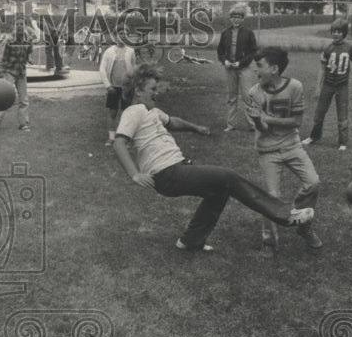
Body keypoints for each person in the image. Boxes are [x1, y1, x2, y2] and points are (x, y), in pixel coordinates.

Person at [112, 64, 315, 252]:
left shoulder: (152, 111)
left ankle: (191, 240)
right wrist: (135, 174)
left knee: (219, 191)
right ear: (138, 91)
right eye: (152, 89)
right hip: (167, 173)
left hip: (176, 169)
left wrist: (195, 128)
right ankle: (286, 215)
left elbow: (172, 122)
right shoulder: (133, 111)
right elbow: (119, 142)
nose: (156, 93)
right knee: (227, 177)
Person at [246, 48, 323, 255]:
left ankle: (302, 223)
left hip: (292, 145)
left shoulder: (295, 87)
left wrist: (266, 118)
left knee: (313, 183)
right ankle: (269, 242)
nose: (255, 70)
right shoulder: (254, 93)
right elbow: (261, 129)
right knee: (272, 196)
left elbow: (296, 122)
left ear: (274, 68)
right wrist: (256, 120)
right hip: (268, 151)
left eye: (259, 66)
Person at [302, 18, 352, 151]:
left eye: (339, 32)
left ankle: (343, 142)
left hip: (342, 85)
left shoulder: (350, 47)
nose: (336, 34)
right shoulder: (327, 47)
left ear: (344, 33)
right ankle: (314, 136)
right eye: (334, 31)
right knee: (319, 113)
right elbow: (322, 68)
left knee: (342, 115)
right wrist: (318, 87)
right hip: (328, 84)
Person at [216, 5, 259, 132]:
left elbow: (253, 52)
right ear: (230, 19)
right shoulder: (225, 33)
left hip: (244, 68)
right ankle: (231, 125)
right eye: (233, 17)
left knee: (247, 96)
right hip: (229, 69)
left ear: (243, 19)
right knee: (231, 97)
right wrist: (225, 61)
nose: (236, 20)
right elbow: (220, 51)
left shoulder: (248, 33)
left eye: (239, 17)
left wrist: (241, 63)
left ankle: (253, 125)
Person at [0, 17, 33, 134]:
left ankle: (24, 124)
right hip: (9, 73)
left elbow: (29, 53)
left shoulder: (28, 39)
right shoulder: (9, 40)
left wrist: (30, 58)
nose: (19, 26)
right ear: (14, 26)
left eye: (21, 24)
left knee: (24, 100)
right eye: (17, 24)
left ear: (24, 26)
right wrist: (1, 72)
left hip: (21, 73)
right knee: (4, 98)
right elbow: (3, 58)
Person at [98, 39, 136, 146]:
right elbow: (102, 69)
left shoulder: (130, 51)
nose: (122, 37)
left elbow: (133, 69)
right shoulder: (109, 51)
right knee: (112, 112)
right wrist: (108, 85)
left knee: (127, 113)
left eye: (125, 34)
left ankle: (125, 138)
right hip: (113, 87)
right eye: (120, 34)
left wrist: (132, 84)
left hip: (126, 87)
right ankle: (111, 137)